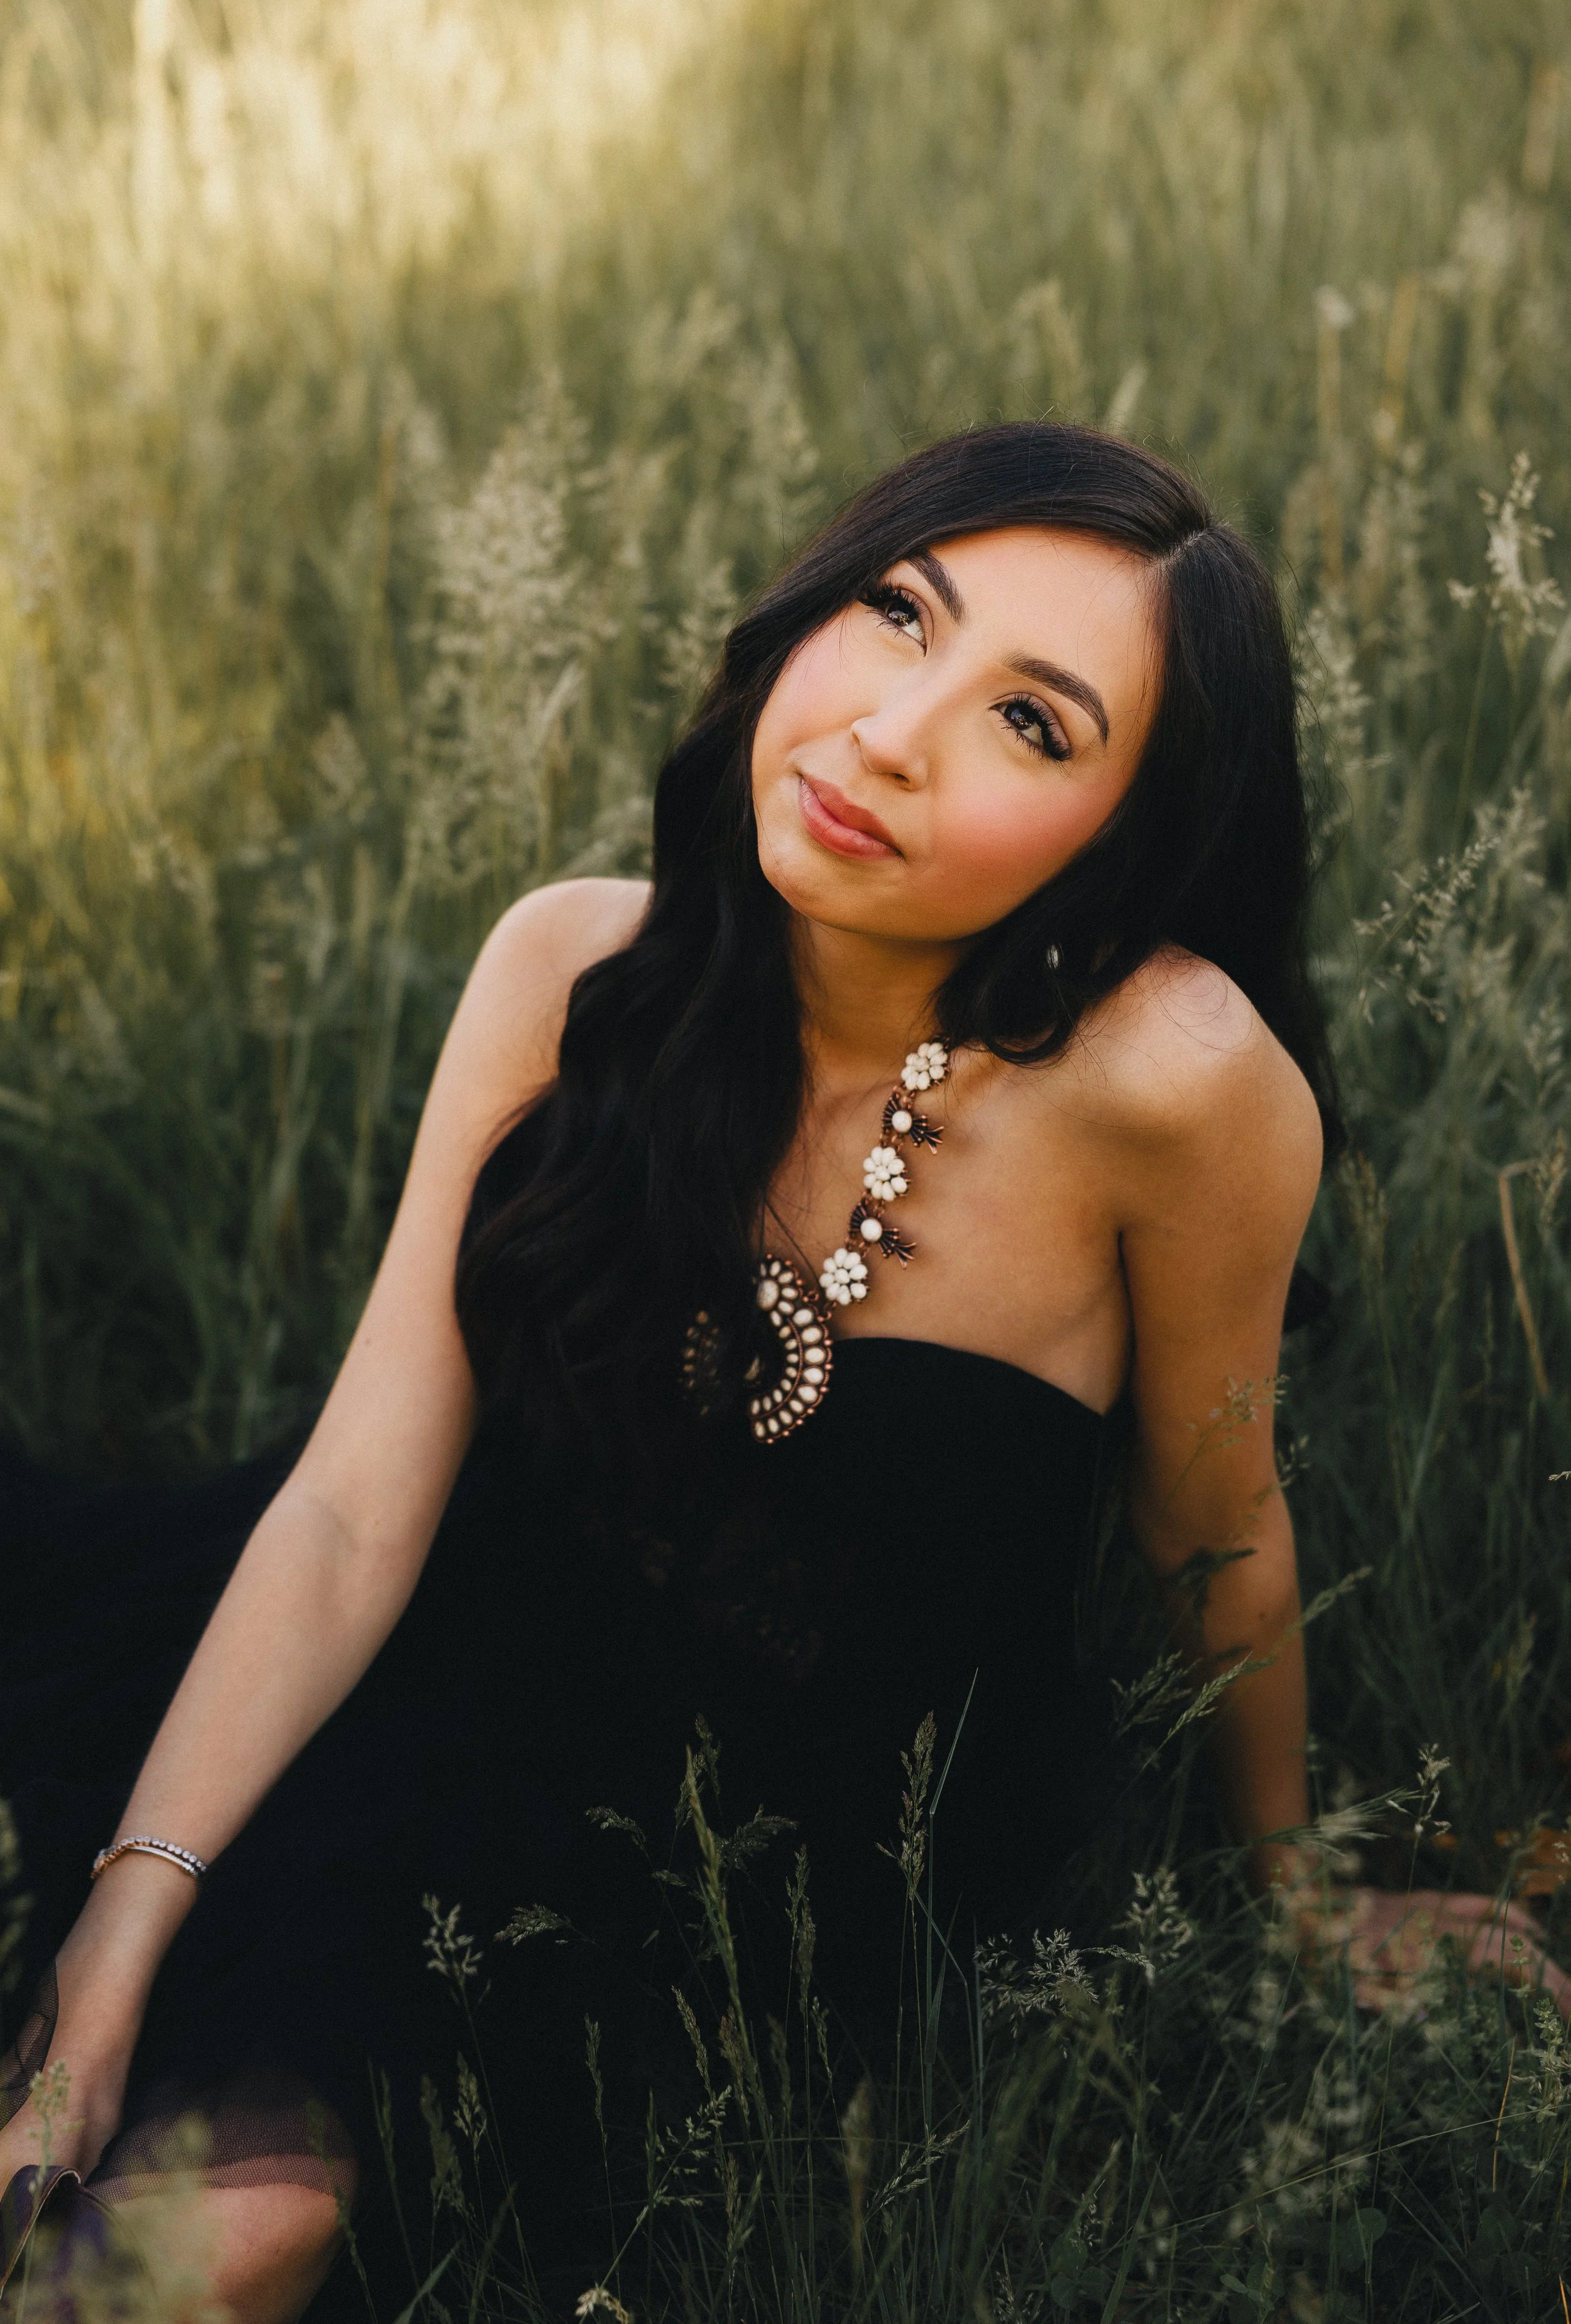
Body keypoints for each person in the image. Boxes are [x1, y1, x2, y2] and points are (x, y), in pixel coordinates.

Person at [0, 421, 1521, 2324]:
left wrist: (1295, 1892)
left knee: (221, 2246)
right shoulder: (571, 970)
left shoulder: (1175, 1086)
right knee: (172, 2215)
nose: (893, 728)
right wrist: (121, 1938)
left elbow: (1213, 1521)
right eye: (897, 614)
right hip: (428, 1721)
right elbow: (346, 1501)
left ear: (1118, 847)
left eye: (1032, 724)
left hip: (791, 1884)